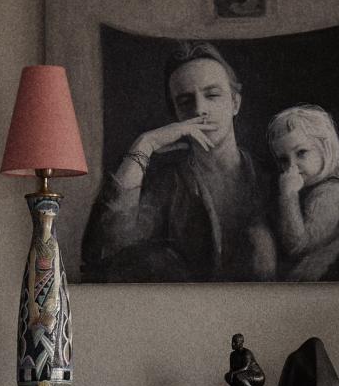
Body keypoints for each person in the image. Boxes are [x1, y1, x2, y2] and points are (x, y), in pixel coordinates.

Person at [83, 41, 267, 281]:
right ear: (176, 115)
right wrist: (145, 143)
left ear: (235, 103)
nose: (199, 109)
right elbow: (108, 248)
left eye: (212, 95)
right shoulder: (166, 184)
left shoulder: (270, 177)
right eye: (185, 101)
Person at [254, 104, 339, 280]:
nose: (291, 166)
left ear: (324, 148)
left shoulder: (332, 193)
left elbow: (297, 246)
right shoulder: (315, 188)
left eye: (301, 153)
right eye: (283, 159)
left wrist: (288, 195)